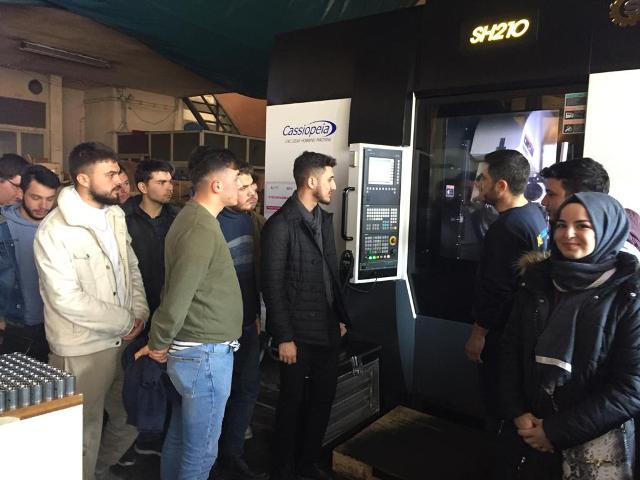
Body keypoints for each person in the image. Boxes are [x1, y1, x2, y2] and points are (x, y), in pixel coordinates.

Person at [500, 192, 640, 479]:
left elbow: (630, 387)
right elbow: (510, 349)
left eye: (582, 226)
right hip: (529, 427)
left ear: (608, 230)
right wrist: (517, 412)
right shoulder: (537, 281)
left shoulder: (628, 295)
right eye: (561, 225)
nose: (568, 234)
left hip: (595, 440)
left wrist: (554, 432)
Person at [34, 142, 149, 480]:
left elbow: (130, 267)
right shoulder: (55, 230)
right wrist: (125, 320)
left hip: (124, 340)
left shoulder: (114, 215)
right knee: (81, 433)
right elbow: (66, 298)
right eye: (110, 174)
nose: (119, 181)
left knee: (130, 416)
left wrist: (139, 312)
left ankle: (98, 470)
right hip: (82, 349)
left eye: (118, 173)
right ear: (83, 179)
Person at [135, 148, 243, 480]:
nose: (241, 185)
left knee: (182, 437)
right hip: (203, 355)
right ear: (217, 185)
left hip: (198, 352)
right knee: (202, 450)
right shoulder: (198, 226)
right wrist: (158, 342)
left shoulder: (194, 218)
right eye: (236, 179)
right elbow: (178, 294)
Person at [262, 151, 349, 480]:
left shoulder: (323, 220)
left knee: (322, 400)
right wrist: (284, 337)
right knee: (291, 403)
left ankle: (307, 463)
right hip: (296, 335)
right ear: (311, 181)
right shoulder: (280, 225)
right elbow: (272, 287)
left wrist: (338, 317)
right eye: (330, 179)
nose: (334, 186)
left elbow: (329, 276)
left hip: (326, 330)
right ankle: (282, 469)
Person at [464, 149, 548, 428]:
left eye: (483, 178)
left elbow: (497, 289)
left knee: (497, 400)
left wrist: (478, 335)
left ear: (501, 186)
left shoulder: (506, 228)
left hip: (502, 333)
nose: (478, 183)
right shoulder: (534, 213)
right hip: (523, 327)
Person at [118, 159, 179, 466]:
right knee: (134, 377)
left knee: (166, 377)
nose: (170, 188)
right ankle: (134, 440)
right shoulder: (122, 218)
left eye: (171, 182)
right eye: (162, 182)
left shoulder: (178, 218)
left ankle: (158, 438)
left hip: (170, 310)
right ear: (142, 186)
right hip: (136, 312)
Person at [217, 163, 267, 480]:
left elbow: (255, 275)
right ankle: (210, 460)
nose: (253, 193)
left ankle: (232, 455)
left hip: (248, 324)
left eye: (254, 187)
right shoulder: (210, 223)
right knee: (217, 397)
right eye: (244, 187)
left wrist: (257, 315)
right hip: (218, 329)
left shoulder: (254, 222)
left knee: (246, 389)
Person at [0, 165, 59, 362]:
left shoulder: (60, 227)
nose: (43, 205)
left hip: (54, 326)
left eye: (50, 199)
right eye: (36, 197)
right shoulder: (3, 226)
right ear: (21, 192)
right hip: (13, 326)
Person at [540, 157, 640, 258]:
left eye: (551, 194)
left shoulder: (620, 260)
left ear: (579, 197)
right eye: (562, 226)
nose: (543, 202)